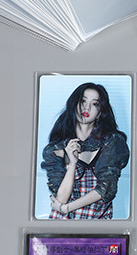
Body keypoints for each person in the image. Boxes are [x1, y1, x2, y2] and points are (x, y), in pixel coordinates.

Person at [41, 82, 129, 219]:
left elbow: (105, 189)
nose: (87, 107)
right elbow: (61, 198)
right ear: (73, 104)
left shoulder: (112, 142)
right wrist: (72, 164)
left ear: (100, 112)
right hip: (61, 223)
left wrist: (66, 208)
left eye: (95, 104)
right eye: (83, 101)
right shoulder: (56, 149)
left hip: (97, 223)